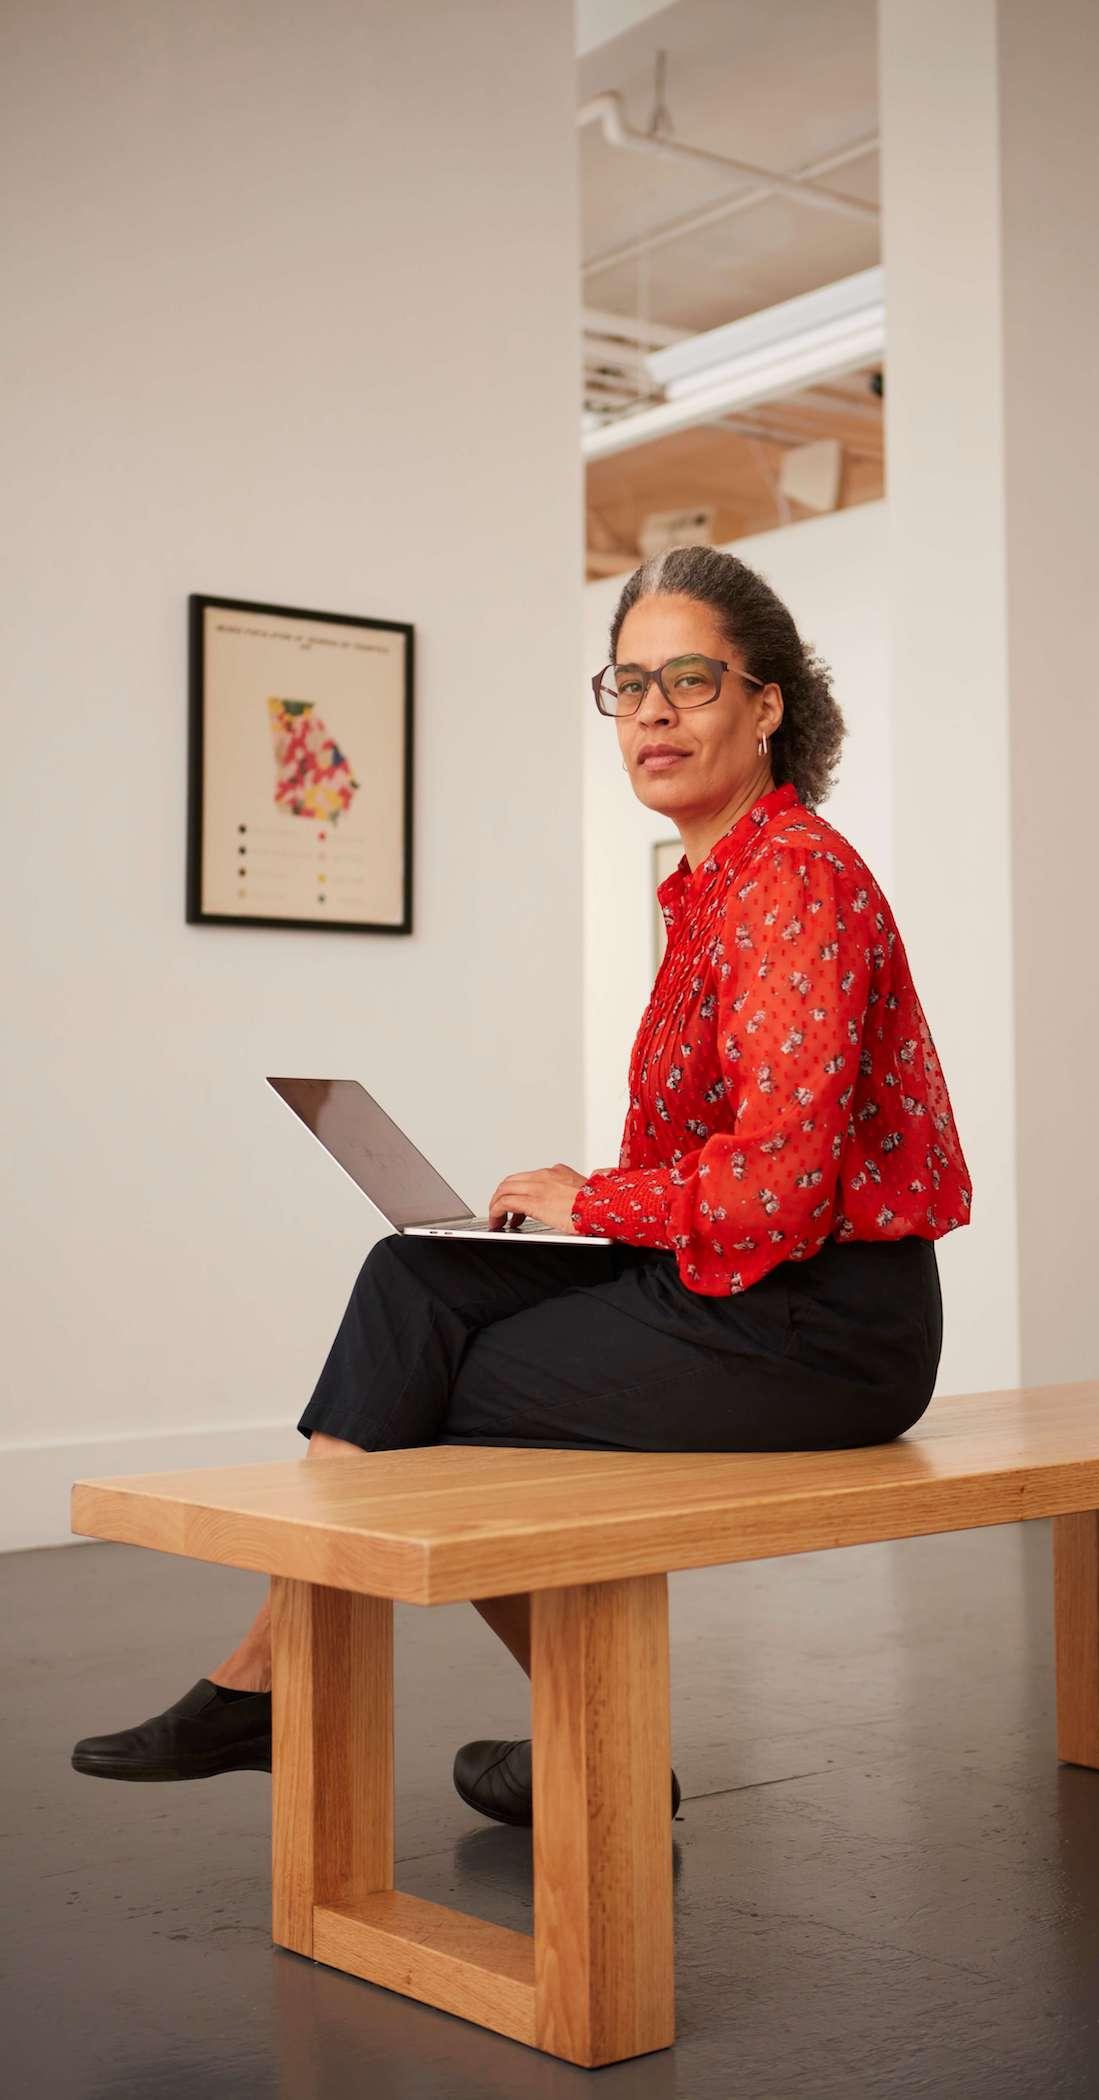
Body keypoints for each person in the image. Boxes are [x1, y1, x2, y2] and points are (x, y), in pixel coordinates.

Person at [71, 545, 973, 1826]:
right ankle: (286, 1683)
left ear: (765, 706)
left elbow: (780, 1187)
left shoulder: (793, 883)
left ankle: (551, 1741)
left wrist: (592, 1206)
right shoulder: (707, 885)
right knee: (412, 1280)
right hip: (731, 1279)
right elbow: (717, 1160)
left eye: (690, 679)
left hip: (823, 1322)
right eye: (628, 684)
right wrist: (584, 1195)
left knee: (431, 1388)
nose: (652, 713)